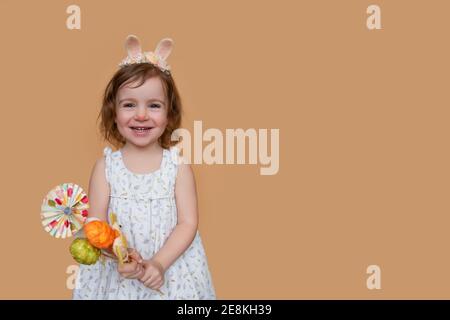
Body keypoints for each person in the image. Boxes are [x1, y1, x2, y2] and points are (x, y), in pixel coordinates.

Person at [73, 35, 216, 299]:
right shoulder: (105, 168)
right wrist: (118, 252)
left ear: (169, 114)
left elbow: (187, 222)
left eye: (153, 105)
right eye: (129, 105)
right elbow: (97, 226)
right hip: (118, 276)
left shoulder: (177, 167)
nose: (141, 115)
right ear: (113, 113)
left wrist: (159, 263)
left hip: (172, 270)